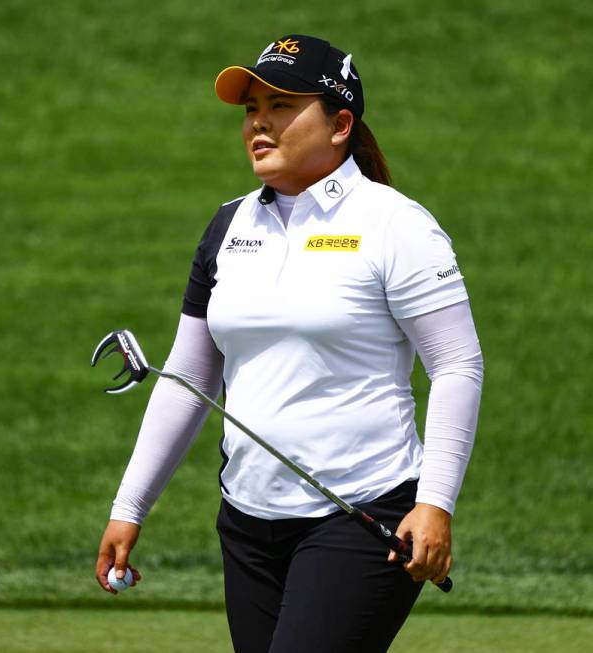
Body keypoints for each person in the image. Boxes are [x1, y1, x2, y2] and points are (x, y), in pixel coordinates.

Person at [94, 33, 483, 653]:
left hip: (365, 514)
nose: (259, 125)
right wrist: (129, 504)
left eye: (282, 107)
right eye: (252, 109)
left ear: (340, 124)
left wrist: (435, 503)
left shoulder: (395, 224)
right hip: (247, 524)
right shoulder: (228, 224)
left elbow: (458, 364)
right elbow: (190, 375)